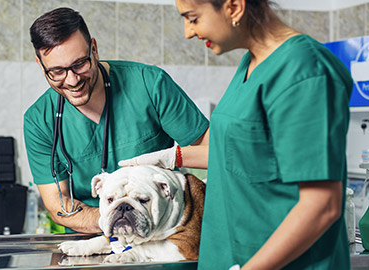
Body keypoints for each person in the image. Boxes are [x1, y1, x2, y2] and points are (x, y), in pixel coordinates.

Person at [119, 0, 353, 269]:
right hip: (230, 256)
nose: (188, 32)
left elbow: (322, 205)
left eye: (193, 18)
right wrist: (174, 157)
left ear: (234, 7)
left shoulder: (305, 70)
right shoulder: (250, 63)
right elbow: (245, 153)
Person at [23, 7, 209, 234]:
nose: (72, 80)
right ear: (41, 66)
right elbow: (57, 204)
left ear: (94, 49)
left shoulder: (150, 85)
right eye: (57, 72)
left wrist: (173, 157)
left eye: (80, 64)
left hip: (162, 236)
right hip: (90, 242)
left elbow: (214, 152)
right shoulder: (38, 120)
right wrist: (115, 217)